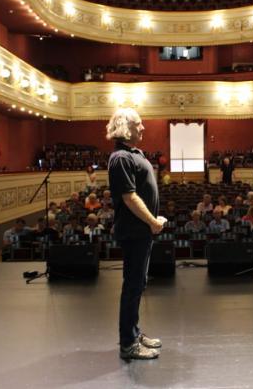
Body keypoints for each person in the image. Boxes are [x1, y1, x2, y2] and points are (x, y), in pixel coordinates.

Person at [106, 107, 166, 360]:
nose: (143, 128)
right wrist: (153, 222)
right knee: (132, 287)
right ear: (126, 127)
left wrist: (153, 220)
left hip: (142, 231)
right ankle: (128, 344)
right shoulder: (120, 158)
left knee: (138, 284)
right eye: (139, 124)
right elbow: (130, 198)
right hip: (135, 231)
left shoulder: (133, 154)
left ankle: (134, 331)